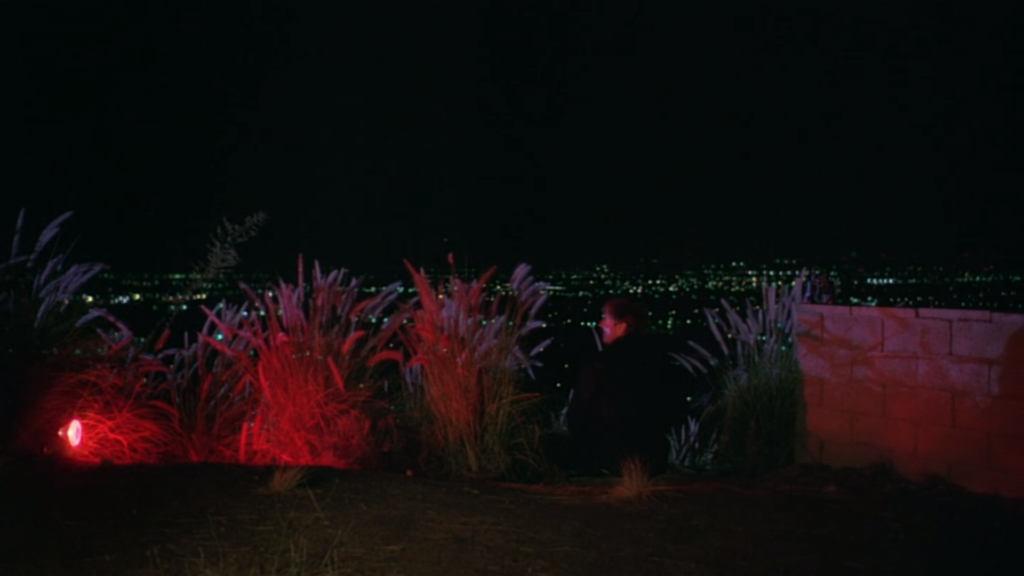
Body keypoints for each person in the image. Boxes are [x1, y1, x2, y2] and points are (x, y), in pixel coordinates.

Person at [565, 297, 687, 476]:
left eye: (606, 318)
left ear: (621, 326)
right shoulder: (660, 362)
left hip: (604, 459)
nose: (601, 323)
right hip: (651, 458)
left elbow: (578, 412)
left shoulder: (601, 364)